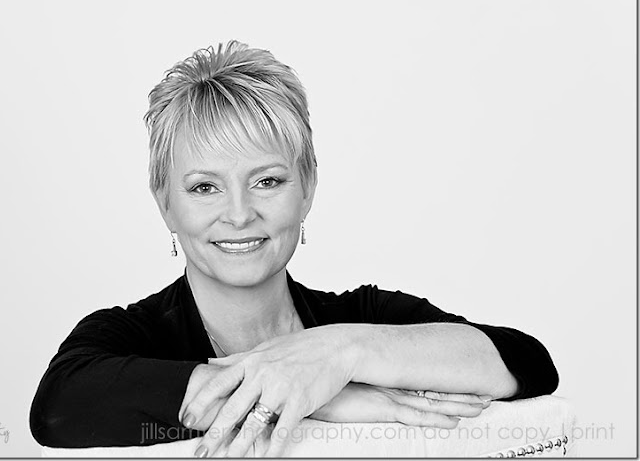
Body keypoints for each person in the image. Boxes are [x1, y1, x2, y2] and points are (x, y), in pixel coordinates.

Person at [29, 41, 558, 457]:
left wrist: (339, 356)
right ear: (165, 204)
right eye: (204, 187)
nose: (239, 214)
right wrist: (292, 392)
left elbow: (527, 363)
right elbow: (56, 411)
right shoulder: (127, 336)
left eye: (267, 181)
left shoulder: (363, 318)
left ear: (307, 188)